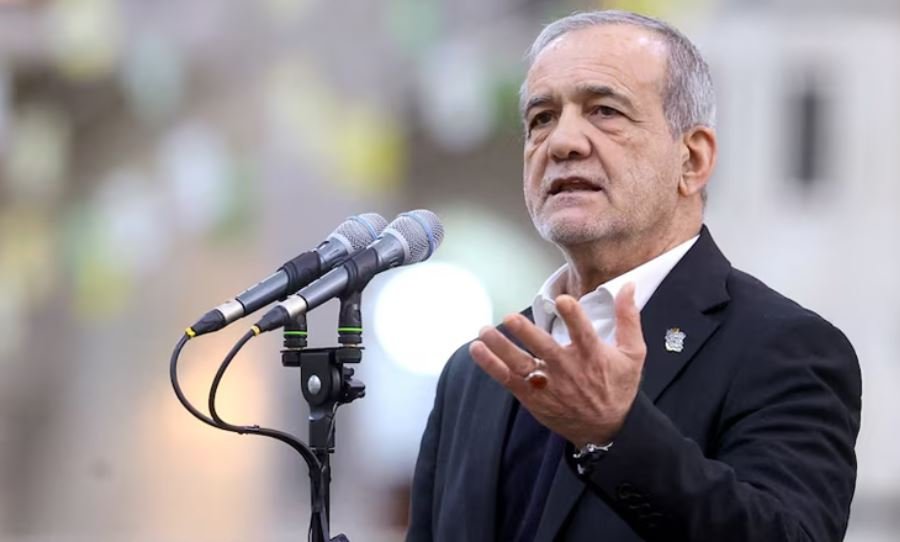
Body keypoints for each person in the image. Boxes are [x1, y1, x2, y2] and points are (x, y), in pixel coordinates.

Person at [406, 10, 861, 542]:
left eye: (604, 111)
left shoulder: (785, 349)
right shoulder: (477, 370)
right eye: (542, 118)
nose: (562, 142)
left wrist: (615, 435)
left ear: (692, 159)